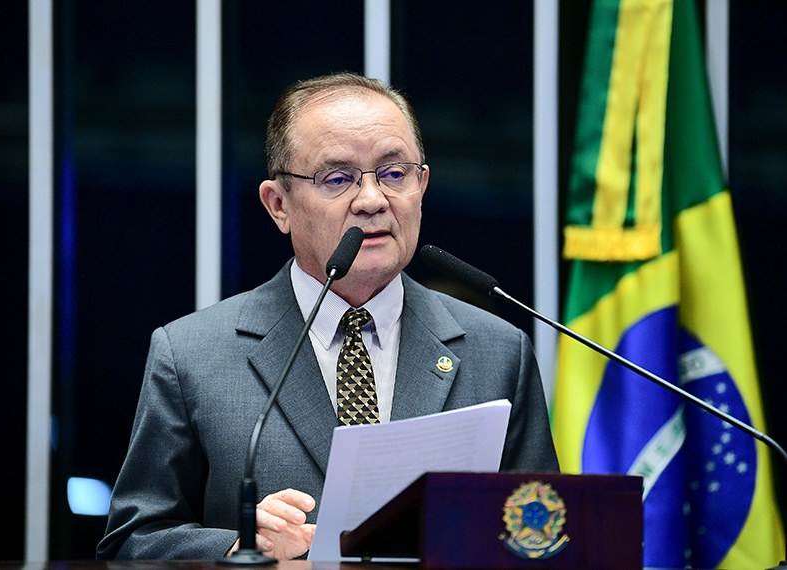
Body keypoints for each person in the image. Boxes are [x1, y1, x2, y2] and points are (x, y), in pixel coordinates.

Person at [97, 72, 559, 561]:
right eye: (337, 179)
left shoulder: (498, 349)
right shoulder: (192, 354)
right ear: (279, 206)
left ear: (422, 185)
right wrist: (238, 547)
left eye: (394, 173)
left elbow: (542, 530)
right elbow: (133, 541)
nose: (373, 200)